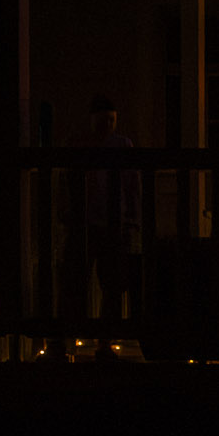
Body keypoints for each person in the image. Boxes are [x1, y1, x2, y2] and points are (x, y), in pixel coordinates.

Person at [80, 95, 141, 331]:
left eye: (111, 120)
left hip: (110, 221)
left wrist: (132, 217)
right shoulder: (112, 145)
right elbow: (133, 185)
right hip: (95, 221)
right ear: (93, 120)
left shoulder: (118, 145)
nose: (108, 124)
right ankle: (103, 336)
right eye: (104, 120)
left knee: (111, 283)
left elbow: (133, 185)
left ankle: (102, 335)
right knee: (105, 282)